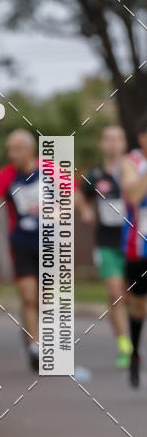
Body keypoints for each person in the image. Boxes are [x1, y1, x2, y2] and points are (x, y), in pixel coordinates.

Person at [0, 130, 40, 371]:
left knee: (44, 299)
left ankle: (36, 335)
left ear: (30, 149)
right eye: (9, 150)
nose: (12, 154)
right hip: (21, 243)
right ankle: (34, 346)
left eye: (17, 149)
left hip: (50, 243)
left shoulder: (49, 170)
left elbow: (71, 193)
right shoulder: (7, 174)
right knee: (28, 295)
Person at [77, 125, 131, 369]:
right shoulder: (96, 174)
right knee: (115, 293)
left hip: (135, 243)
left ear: (124, 143)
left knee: (134, 298)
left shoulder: (136, 171)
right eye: (108, 139)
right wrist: (85, 209)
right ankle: (125, 346)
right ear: (101, 143)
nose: (113, 143)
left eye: (117, 138)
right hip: (107, 243)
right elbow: (78, 194)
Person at [120, 118, 147, 387]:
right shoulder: (131, 163)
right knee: (138, 306)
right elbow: (135, 195)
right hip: (138, 247)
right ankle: (135, 353)